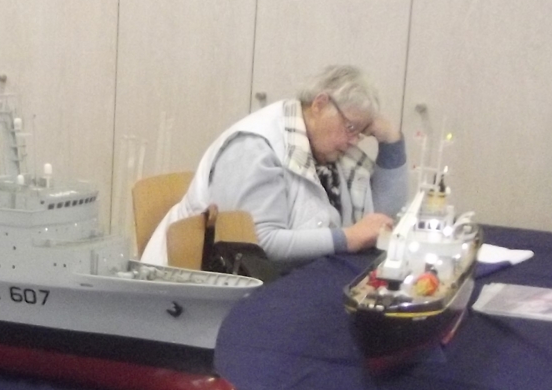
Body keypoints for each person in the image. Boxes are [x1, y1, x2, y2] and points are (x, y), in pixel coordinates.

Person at [142, 64, 408, 266]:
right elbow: (259, 242)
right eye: (350, 127)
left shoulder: (327, 152)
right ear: (320, 104)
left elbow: (379, 223)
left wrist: (391, 142)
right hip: (196, 291)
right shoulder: (254, 148)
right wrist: (347, 238)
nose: (353, 141)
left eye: (360, 133)